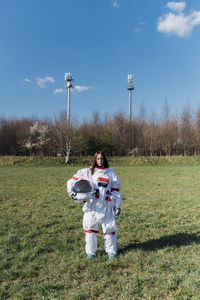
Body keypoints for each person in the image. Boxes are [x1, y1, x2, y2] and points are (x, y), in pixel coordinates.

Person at [67, 151, 121, 259]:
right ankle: (91, 252)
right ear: (95, 160)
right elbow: (71, 182)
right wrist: (73, 194)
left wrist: (117, 206)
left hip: (107, 204)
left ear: (104, 159)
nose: (100, 161)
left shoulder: (110, 173)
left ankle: (111, 251)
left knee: (109, 229)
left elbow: (116, 192)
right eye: (98, 159)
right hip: (92, 205)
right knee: (90, 229)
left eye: (102, 159)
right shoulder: (88, 172)